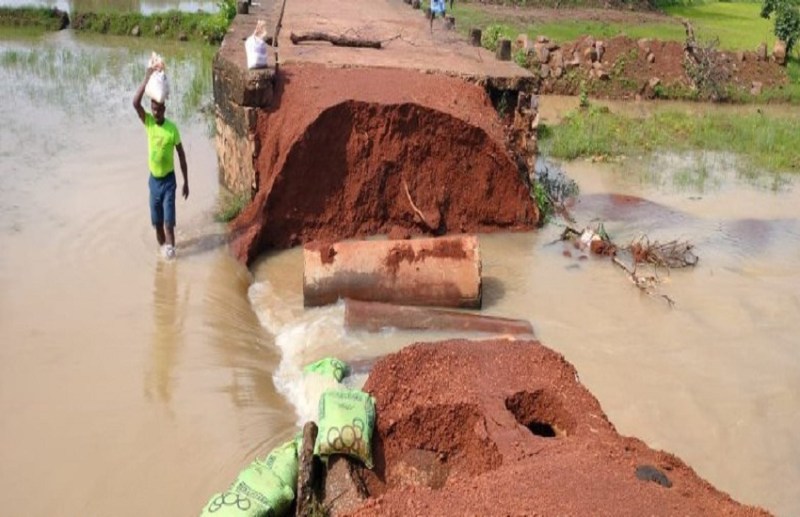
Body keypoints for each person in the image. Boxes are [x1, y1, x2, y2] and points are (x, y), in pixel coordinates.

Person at [133, 67, 189, 259]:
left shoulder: (172, 129)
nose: (155, 112)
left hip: (168, 183)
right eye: (153, 109)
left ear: (164, 109)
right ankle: (163, 250)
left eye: (158, 109)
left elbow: (181, 156)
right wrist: (146, 78)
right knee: (157, 224)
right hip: (154, 183)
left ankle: (171, 255)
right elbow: (135, 103)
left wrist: (186, 182)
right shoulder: (148, 122)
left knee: (168, 223)